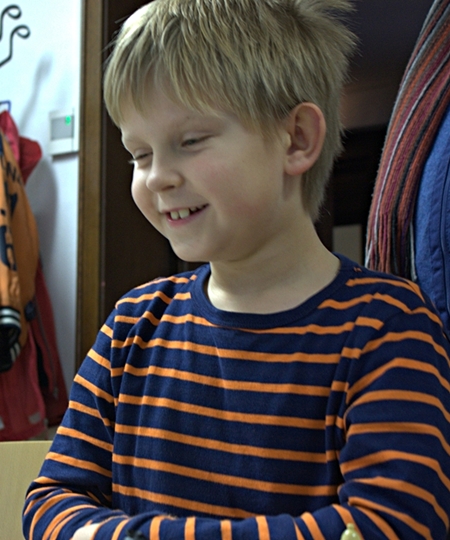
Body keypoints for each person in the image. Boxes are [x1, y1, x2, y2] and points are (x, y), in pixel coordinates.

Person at [23, 0, 450, 538]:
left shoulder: (389, 327)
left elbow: (393, 523)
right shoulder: (132, 326)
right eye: (140, 154)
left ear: (296, 139)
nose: (156, 178)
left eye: (189, 141)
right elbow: (51, 499)